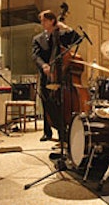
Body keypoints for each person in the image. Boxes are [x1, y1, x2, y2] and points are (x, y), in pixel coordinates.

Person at [32, 10, 80, 145]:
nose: (42, 23)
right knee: (46, 103)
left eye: (44, 20)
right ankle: (47, 132)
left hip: (61, 76)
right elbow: (35, 56)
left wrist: (66, 27)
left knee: (60, 104)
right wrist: (44, 66)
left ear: (52, 21)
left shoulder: (61, 35)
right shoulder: (37, 39)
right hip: (46, 75)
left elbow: (76, 39)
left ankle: (62, 133)